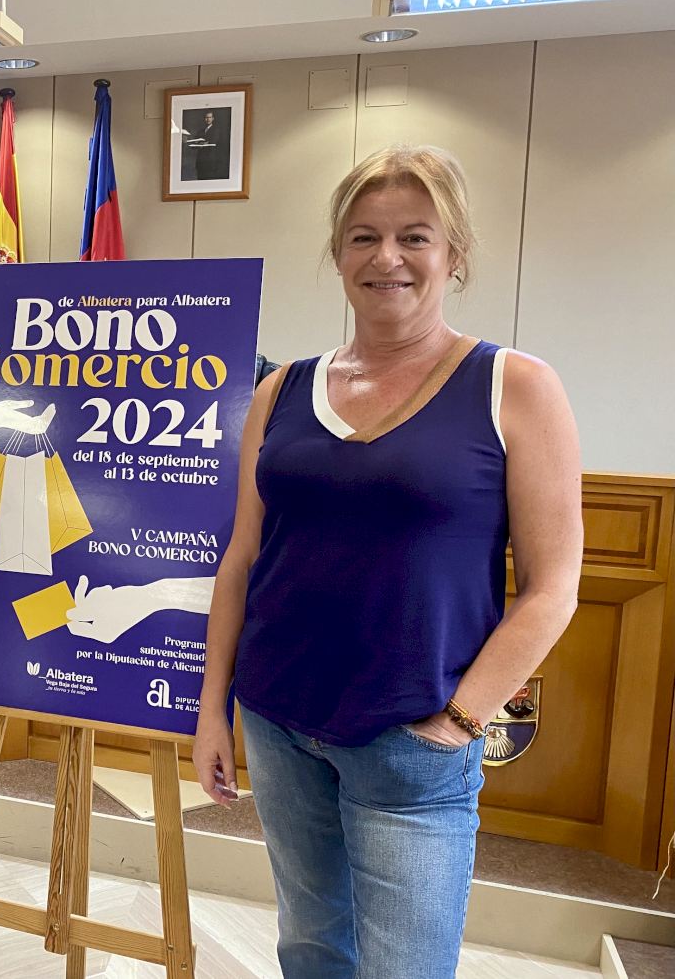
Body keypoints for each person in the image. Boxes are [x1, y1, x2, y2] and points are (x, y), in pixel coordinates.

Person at [192, 145, 583, 978]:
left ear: (455, 254)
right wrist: (211, 710)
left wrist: (461, 722)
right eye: (364, 237)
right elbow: (242, 559)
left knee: (407, 967)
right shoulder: (281, 391)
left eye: (415, 236)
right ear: (339, 254)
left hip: (414, 738)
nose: (387, 258)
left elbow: (553, 589)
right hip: (277, 719)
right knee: (310, 947)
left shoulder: (515, 386)